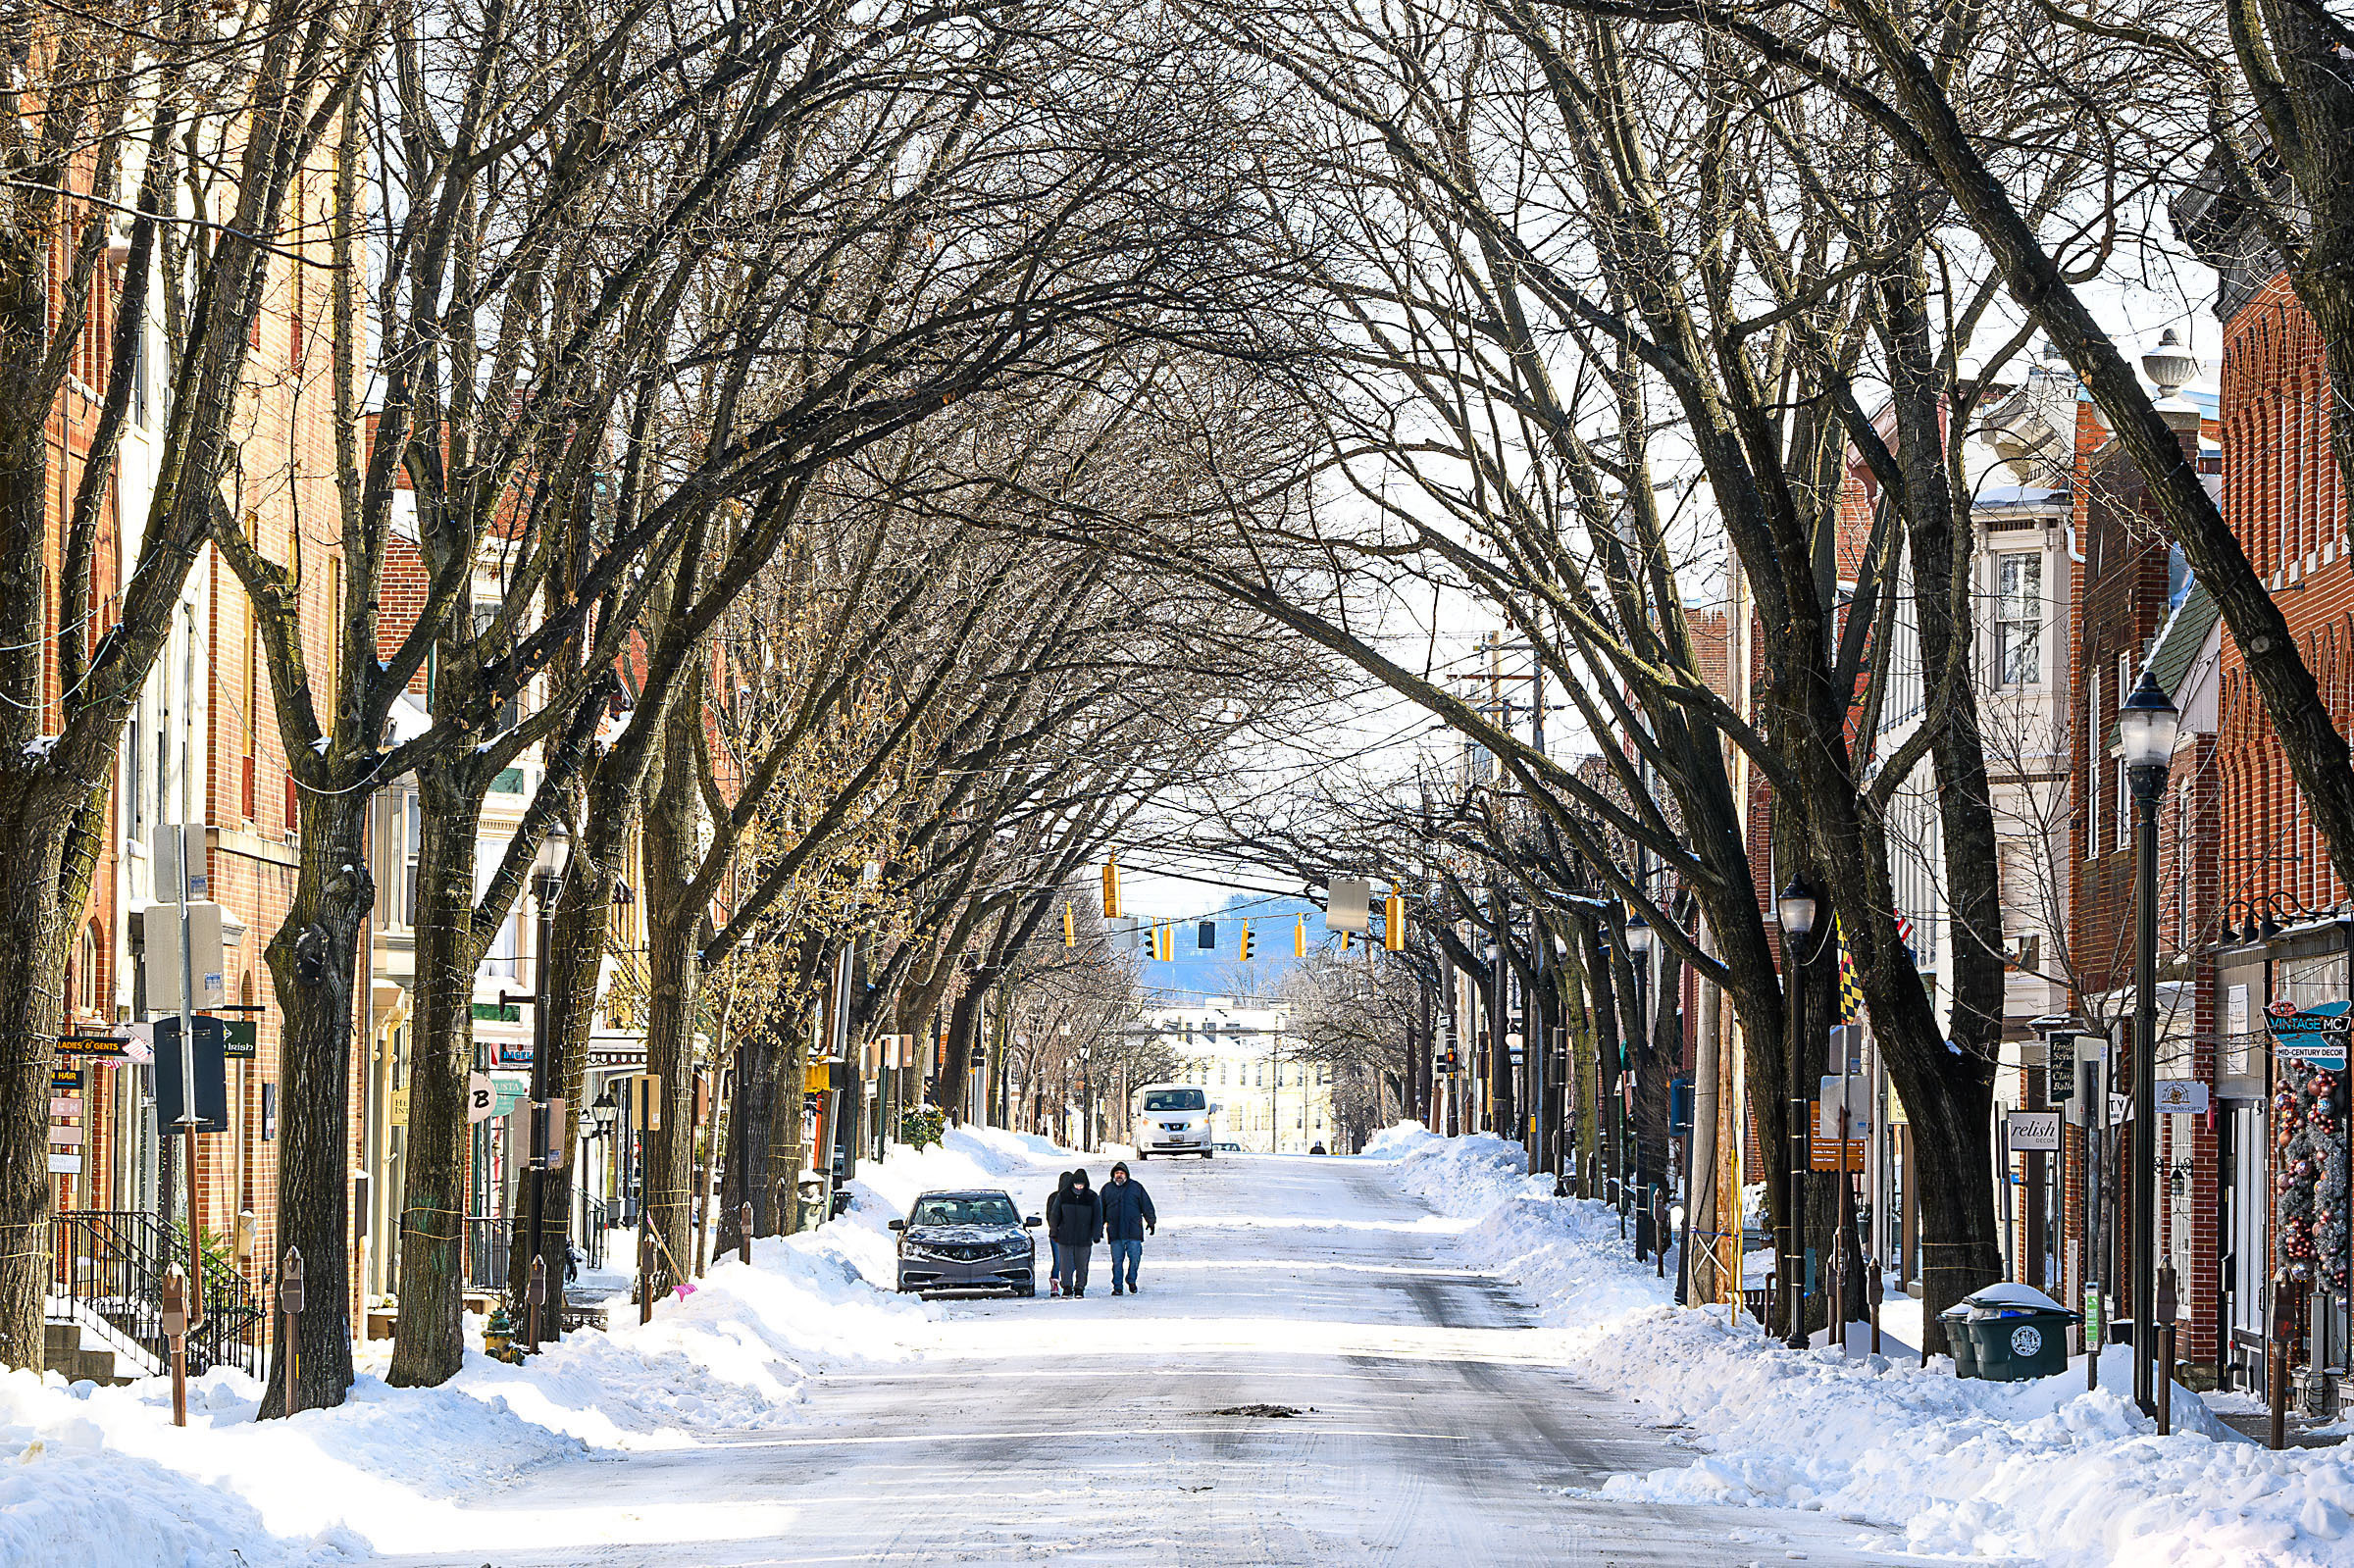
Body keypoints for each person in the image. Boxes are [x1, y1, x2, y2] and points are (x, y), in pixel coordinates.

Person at [1099, 1160, 1156, 1296]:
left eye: (1122, 1173)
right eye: (1117, 1173)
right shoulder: (1107, 1189)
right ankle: (1117, 1286)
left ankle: (1131, 1280)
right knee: (1117, 1262)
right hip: (1115, 1232)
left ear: (1126, 1175)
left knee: (1135, 1258)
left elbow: (1146, 1205)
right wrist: (1098, 1228)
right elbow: (1100, 1209)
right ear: (1113, 1175)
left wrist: (1151, 1221)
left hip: (1133, 1232)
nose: (1119, 1175)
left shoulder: (1136, 1187)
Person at [1049, 1168, 1102, 1297]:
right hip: (1065, 1237)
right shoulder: (1063, 1196)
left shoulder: (1092, 1197)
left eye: (1081, 1184)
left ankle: (1080, 1287)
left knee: (1082, 1265)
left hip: (1084, 1238)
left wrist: (1096, 1234)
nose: (1079, 1187)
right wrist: (1054, 1231)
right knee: (1065, 1264)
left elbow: (1098, 1217)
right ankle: (1067, 1287)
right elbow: (1055, 1215)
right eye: (1077, 1184)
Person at [1046, 1172, 1075, 1297]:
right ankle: (1058, 1282)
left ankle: (1064, 1282)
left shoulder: (1075, 1197)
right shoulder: (1055, 1197)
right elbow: (1050, 1216)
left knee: (1065, 1261)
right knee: (1060, 1260)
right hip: (1058, 1235)